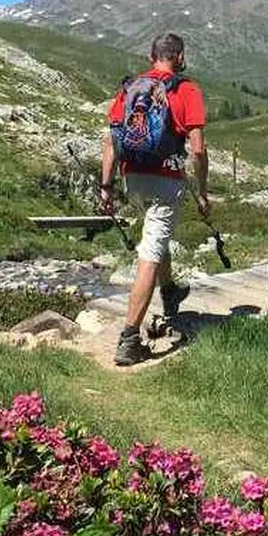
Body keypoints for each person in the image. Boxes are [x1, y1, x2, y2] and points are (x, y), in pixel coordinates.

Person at [100, 33, 210, 366]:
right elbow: (198, 148)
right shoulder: (185, 89)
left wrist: (106, 186)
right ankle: (130, 338)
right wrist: (203, 192)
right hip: (165, 179)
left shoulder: (131, 87)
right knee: (150, 251)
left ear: (151, 56)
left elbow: (110, 140)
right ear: (179, 56)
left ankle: (169, 291)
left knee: (154, 237)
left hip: (132, 177)